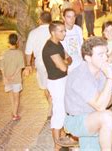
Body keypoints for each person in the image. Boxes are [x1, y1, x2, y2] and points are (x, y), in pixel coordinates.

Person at [64, 36, 112, 150]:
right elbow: (101, 105)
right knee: (107, 117)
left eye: (106, 53)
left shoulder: (101, 71)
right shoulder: (80, 75)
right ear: (88, 58)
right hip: (76, 120)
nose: (106, 58)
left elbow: (110, 100)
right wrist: (110, 78)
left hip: (92, 116)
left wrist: (102, 100)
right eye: (100, 55)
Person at [42, 21, 74, 149]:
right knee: (58, 112)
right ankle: (57, 145)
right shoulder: (50, 48)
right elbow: (62, 67)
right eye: (61, 31)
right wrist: (65, 62)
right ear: (52, 32)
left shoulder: (58, 43)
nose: (64, 33)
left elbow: (69, 58)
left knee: (64, 109)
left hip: (62, 80)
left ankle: (62, 139)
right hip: (56, 83)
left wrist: (65, 61)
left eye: (64, 30)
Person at [24, 11, 52, 118]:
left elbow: (28, 52)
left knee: (45, 86)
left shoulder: (33, 33)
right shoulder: (54, 30)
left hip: (40, 63)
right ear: (50, 20)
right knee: (54, 85)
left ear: (40, 20)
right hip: (54, 62)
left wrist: (28, 65)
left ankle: (50, 107)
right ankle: (52, 106)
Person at [0, 33, 25, 121]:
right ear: (17, 42)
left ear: (8, 42)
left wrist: (5, 77)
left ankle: (13, 111)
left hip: (7, 79)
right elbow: (20, 67)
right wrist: (13, 75)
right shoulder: (19, 53)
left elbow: (1, 67)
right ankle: (15, 114)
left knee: (11, 96)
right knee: (17, 97)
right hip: (16, 79)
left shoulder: (4, 53)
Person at [61, 8, 84, 72]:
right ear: (63, 18)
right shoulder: (60, 30)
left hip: (80, 63)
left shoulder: (78, 29)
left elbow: (82, 45)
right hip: (68, 65)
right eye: (69, 17)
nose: (72, 19)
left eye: (74, 16)